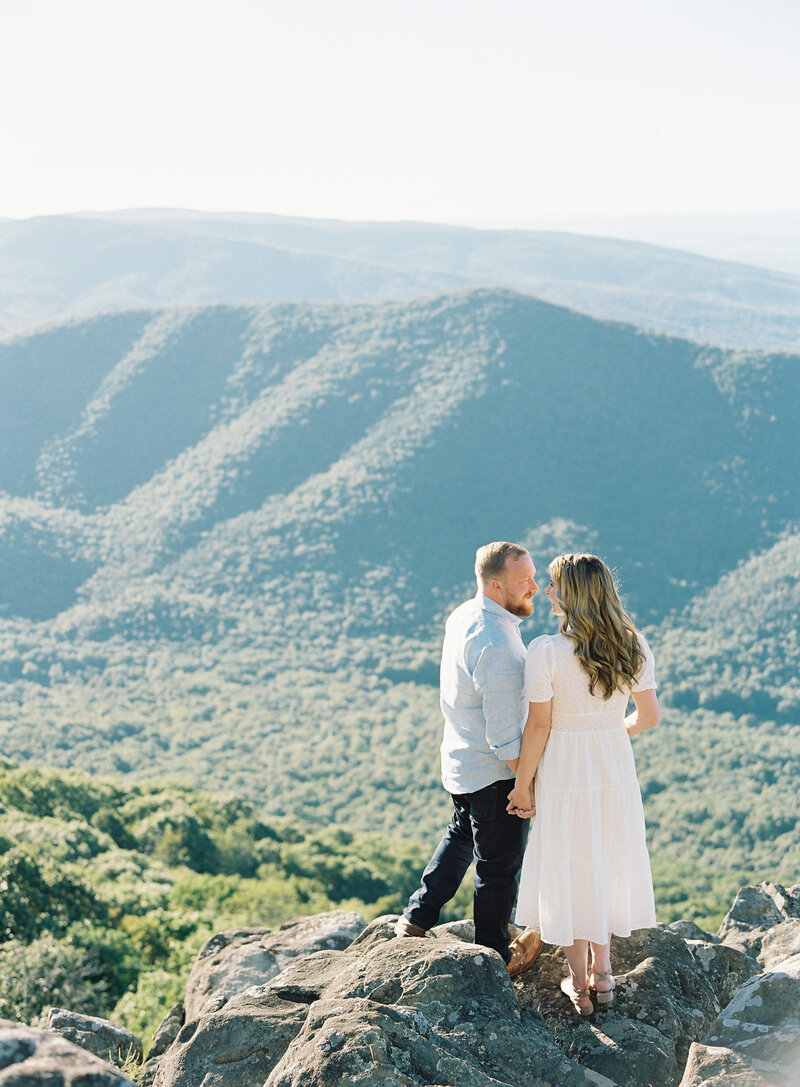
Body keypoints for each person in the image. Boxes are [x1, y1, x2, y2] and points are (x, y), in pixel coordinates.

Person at [508, 553, 659, 1014]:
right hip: (614, 770)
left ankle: (578, 981)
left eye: (553, 585)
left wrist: (522, 784)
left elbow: (538, 727)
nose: (546, 592)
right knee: (604, 862)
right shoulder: (632, 644)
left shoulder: (547, 651)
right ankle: (604, 975)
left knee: (570, 867)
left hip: (565, 773)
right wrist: (610, 734)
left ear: (571, 594)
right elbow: (648, 717)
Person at [395, 541, 543, 976]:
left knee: (460, 838)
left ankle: (417, 918)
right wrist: (526, 786)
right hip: (494, 772)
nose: (535, 587)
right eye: (524, 581)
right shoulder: (496, 644)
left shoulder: (466, 613)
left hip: (461, 759)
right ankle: (495, 954)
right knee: (498, 868)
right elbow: (504, 735)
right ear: (496, 586)